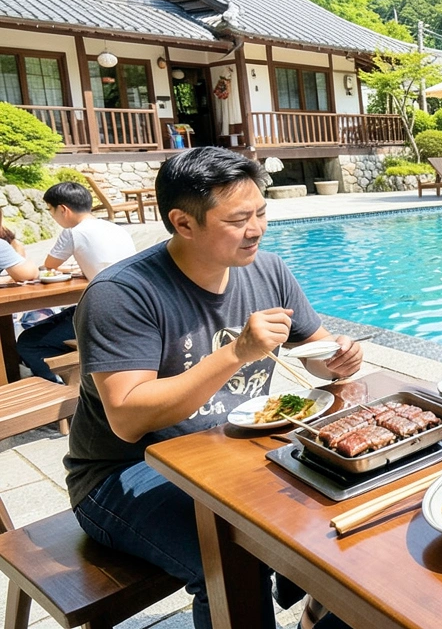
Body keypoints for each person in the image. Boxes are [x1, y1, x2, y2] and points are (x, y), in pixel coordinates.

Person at [64, 147, 363, 629]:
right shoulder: (122, 294)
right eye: (240, 219)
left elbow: (319, 353)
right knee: (227, 555)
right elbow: (127, 417)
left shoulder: (267, 269)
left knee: (344, 505)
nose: (257, 229)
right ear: (183, 223)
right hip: (124, 475)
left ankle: (317, 611)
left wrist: (339, 360)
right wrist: (234, 353)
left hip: (236, 454)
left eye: (262, 212)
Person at [18, 182, 136, 382]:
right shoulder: (114, 227)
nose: (52, 217)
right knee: (57, 322)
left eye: (51, 211)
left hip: (105, 313)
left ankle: (62, 387)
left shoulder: (73, 232)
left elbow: (49, 265)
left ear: (63, 209)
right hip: (133, 306)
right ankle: (77, 378)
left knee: (28, 341)